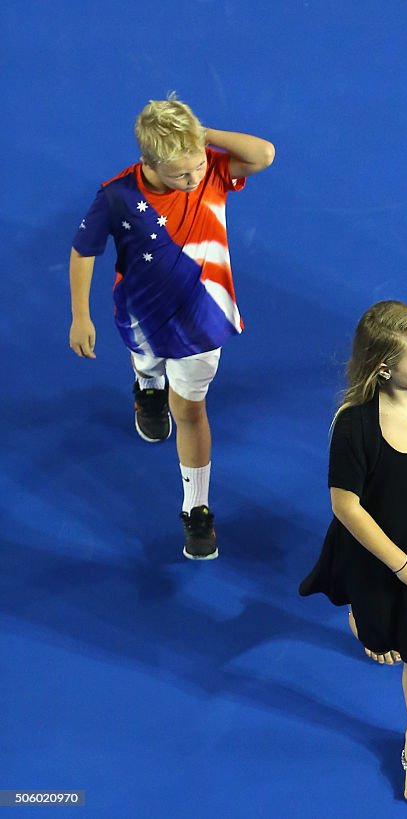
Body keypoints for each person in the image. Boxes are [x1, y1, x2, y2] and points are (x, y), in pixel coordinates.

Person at [68, 93, 275, 560]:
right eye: (182, 173)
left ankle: (195, 509)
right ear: (149, 163)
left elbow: (263, 154)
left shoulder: (213, 169)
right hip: (140, 315)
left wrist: (201, 139)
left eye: (198, 165)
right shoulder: (117, 196)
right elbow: (84, 251)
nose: (195, 177)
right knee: (146, 363)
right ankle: (146, 387)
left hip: (201, 323)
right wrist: (80, 315)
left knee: (190, 411)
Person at [299, 301, 407, 805]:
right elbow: (345, 505)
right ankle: (362, 616)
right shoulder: (354, 424)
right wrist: (398, 564)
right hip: (374, 556)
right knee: (377, 633)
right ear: (384, 368)